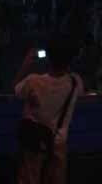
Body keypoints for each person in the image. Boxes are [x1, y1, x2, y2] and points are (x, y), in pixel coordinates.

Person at [14, 36, 84, 184]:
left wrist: (26, 63)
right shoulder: (75, 82)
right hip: (58, 144)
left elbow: (16, 90)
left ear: (48, 57)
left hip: (34, 142)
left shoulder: (33, 81)